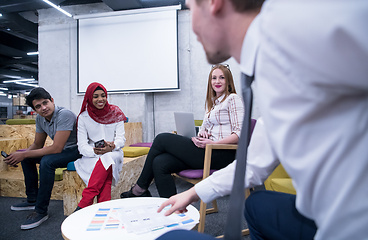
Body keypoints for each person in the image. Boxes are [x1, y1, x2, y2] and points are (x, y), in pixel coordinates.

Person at [156, 0, 368, 239]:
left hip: (349, 227)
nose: (191, 25)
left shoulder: (299, 29)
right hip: (321, 213)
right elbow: (255, 163)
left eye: (190, 7)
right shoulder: (268, 68)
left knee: (171, 237)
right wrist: (192, 194)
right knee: (257, 205)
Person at [120, 64, 244, 198]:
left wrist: (213, 143)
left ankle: (139, 189)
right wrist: (202, 134)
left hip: (222, 153)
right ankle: (171, 207)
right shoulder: (212, 104)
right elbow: (205, 128)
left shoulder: (233, 99)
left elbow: (239, 134)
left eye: (222, 78)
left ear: (229, 81)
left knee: (162, 139)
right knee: (160, 163)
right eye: (214, 78)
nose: (217, 81)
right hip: (208, 150)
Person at [3, 87, 81, 230]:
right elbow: (37, 144)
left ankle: (40, 210)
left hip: (76, 149)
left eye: (45, 103)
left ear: (52, 101)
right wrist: (20, 155)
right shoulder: (40, 118)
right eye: (38, 106)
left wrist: (24, 153)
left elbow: (56, 148)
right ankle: (32, 199)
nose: (43, 108)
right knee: (28, 159)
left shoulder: (65, 115)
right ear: (35, 109)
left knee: (47, 162)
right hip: (62, 150)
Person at [74, 82, 127, 210]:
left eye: (103, 95)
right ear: (89, 98)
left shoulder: (116, 112)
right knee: (106, 163)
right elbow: (81, 145)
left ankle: (86, 200)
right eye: (96, 96)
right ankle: (104, 208)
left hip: (114, 152)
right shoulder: (83, 117)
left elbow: (121, 139)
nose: (100, 99)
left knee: (107, 158)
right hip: (92, 155)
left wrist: (113, 146)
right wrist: (95, 151)